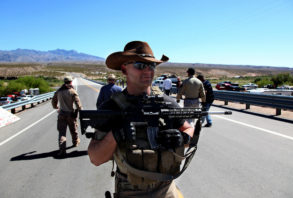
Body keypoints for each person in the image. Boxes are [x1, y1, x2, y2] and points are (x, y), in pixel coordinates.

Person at [88, 41, 194, 198]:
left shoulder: (166, 103)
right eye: (139, 65)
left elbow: (188, 128)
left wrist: (183, 138)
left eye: (151, 66)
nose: (147, 70)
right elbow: (95, 158)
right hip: (131, 191)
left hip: (166, 189)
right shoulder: (112, 108)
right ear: (124, 69)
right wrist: (117, 133)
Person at [52, 76, 82, 157]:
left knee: (62, 133)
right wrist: (79, 111)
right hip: (70, 114)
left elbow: (54, 101)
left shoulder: (59, 91)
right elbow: (78, 104)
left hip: (61, 114)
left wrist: (56, 107)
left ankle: (62, 150)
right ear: (71, 82)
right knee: (73, 130)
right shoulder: (72, 91)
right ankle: (75, 142)